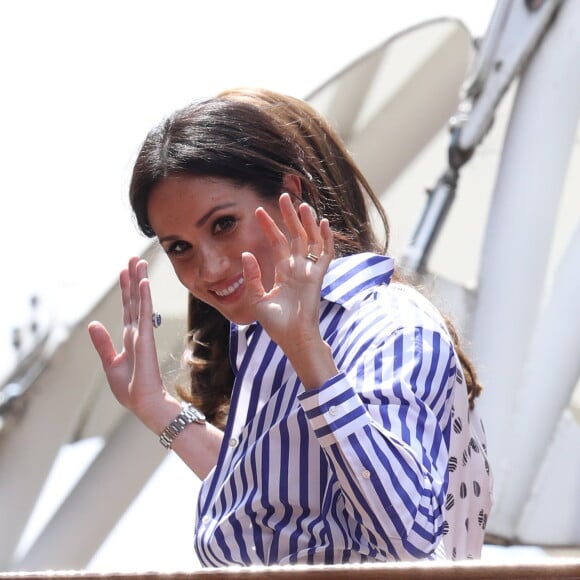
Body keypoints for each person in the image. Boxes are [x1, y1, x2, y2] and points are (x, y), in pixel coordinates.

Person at [88, 88, 492, 567]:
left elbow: (407, 539)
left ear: (291, 195)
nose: (210, 267)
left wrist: (308, 354)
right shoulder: (269, 335)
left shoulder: (390, 325)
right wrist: (156, 409)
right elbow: (279, 504)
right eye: (179, 248)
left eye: (223, 225)